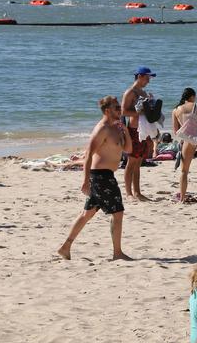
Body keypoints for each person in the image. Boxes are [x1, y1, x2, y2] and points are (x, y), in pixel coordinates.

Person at [58, 96, 133, 261]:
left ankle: (66, 247)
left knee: (87, 213)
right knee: (118, 213)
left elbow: (128, 149)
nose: (119, 110)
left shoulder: (117, 128)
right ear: (107, 111)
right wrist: (85, 181)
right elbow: (88, 155)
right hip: (100, 176)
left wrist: (126, 131)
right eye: (116, 108)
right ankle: (117, 253)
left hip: (106, 175)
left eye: (119, 107)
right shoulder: (102, 129)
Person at [121, 66, 156, 201]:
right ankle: (129, 193)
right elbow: (123, 112)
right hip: (133, 130)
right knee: (131, 161)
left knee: (139, 161)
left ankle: (137, 192)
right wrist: (140, 112)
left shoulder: (143, 92)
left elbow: (147, 112)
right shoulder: (130, 92)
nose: (148, 80)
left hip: (143, 129)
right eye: (147, 78)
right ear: (140, 76)